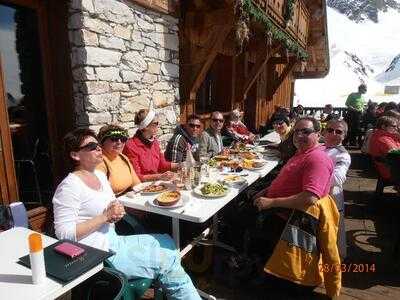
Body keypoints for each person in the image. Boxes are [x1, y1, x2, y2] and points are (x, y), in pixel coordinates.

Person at [53, 128, 201, 300]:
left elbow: (111, 205)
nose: (99, 148)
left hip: (114, 240)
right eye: (92, 146)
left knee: (168, 243)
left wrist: (117, 210)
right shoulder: (69, 186)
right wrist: (105, 217)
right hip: (98, 255)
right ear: (75, 155)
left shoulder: (100, 176)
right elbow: (63, 234)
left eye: (98, 144)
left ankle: (172, 290)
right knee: (168, 260)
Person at [253, 117, 341, 298]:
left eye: (306, 132)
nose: (299, 135)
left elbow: (310, 197)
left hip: (289, 221)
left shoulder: (317, 159)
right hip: (279, 209)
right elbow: (286, 180)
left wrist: (272, 202)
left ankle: (261, 272)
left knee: (235, 215)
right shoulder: (302, 152)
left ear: (318, 134)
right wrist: (266, 190)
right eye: (296, 131)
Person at [123, 109, 180, 181]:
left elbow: (162, 165)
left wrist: (180, 165)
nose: (158, 125)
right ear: (146, 126)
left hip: (156, 183)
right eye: (156, 123)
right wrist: (159, 176)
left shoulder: (154, 142)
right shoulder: (131, 146)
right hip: (142, 186)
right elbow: (136, 176)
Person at [323, 119, 351, 259]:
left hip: (331, 197)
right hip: (320, 195)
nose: (333, 133)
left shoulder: (342, 154)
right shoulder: (320, 147)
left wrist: (311, 179)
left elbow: (338, 178)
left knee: (332, 234)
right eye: (330, 130)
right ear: (324, 132)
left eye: (338, 131)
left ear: (344, 136)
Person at [96, 124, 140, 196]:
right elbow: (101, 194)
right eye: (114, 138)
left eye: (123, 139)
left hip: (129, 200)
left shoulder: (123, 158)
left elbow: (137, 185)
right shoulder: (99, 162)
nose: (119, 142)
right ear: (102, 142)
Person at [369, 116, 400, 185]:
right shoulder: (383, 139)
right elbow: (395, 153)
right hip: (391, 170)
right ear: (383, 127)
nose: (397, 128)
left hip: (391, 167)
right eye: (394, 126)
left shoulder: (383, 136)